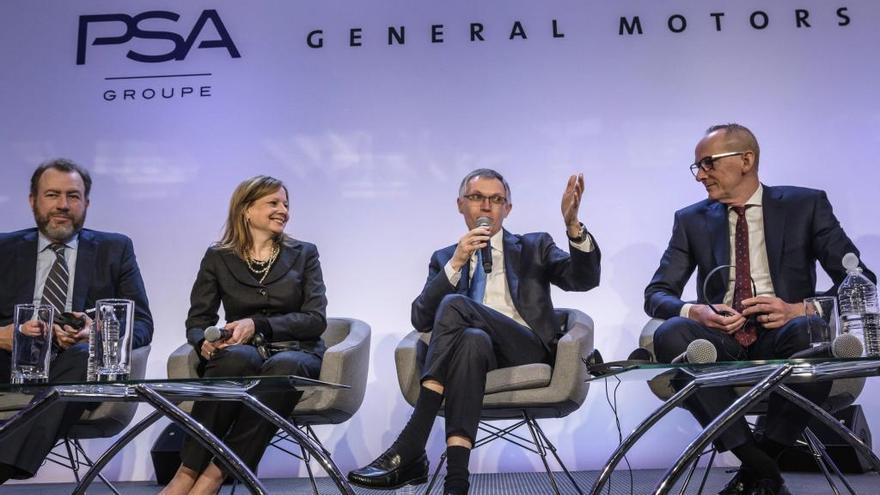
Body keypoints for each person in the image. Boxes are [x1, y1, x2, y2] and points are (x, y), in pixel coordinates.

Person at [645, 123, 875, 495]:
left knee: (809, 334)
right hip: (723, 341)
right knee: (670, 333)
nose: (700, 175)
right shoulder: (691, 219)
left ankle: (756, 470)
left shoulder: (805, 205)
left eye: (707, 163)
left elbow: (860, 279)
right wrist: (697, 312)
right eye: (697, 167)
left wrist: (799, 308)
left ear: (746, 160)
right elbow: (657, 293)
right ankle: (760, 466)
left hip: (785, 335)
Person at [348, 168, 601, 495]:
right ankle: (456, 484)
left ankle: (412, 443)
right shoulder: (444, 258)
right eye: (477, 198)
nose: (486, 207)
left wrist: (572, 227)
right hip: (476, 359)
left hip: (525, 349)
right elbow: (421, 319)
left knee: (455, 305)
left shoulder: (534, 246)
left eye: (496, 200)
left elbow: (583, 280)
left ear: (507, 209)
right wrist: (456, 262)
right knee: (470, 340)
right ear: (460, 205)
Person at [161, 175, 327, 495]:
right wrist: (203, 342)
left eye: (286, 204)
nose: (283, 210)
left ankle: (214, 475)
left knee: (283, 369)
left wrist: (258, 324)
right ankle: (186, 471)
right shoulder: (218, 257)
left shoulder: (304, 253)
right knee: (235, 359)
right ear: (247, 210)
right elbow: (198, 320)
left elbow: (315, 320)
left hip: (296, 350)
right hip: (243, 350)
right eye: (273, 203)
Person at [0, 158, 153, 483]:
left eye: (73, 196)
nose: (63, 205)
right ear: (33, 201)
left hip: (76, 364)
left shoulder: (115, 249)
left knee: (86, 358)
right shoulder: (3, 249)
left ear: (86, 203)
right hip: (9, 361)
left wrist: (97, 334)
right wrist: (3, 335)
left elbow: (141, 324)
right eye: (52, 195)